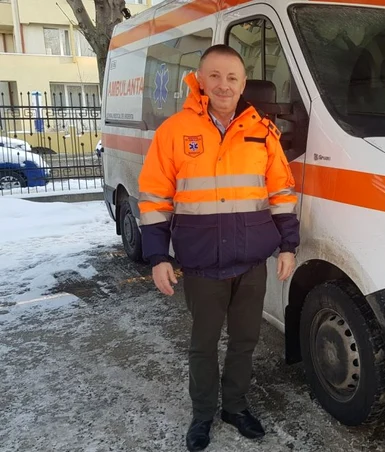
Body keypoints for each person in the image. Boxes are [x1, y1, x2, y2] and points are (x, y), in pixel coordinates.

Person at [137, 44, 300, 451]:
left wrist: (287, 246)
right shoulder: (174, 131)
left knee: (245, 341)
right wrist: (158, 257)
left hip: (250, 262)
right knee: (203, 345)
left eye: (232, 77)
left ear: (243, 83)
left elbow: (280, 191)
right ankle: (203, 414)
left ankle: (236, 407)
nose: (223, 84)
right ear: (200, 79)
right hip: (202, 264)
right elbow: (156, 198)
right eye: (215, 76)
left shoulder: (262, 131)